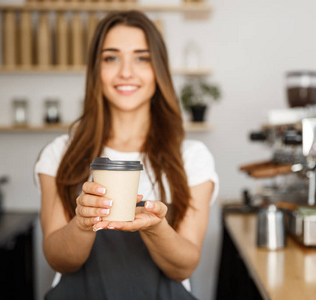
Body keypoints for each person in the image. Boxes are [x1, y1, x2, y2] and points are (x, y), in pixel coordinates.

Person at [34, 10, 218, 300]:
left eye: (142, 58)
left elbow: (184, 266)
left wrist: (157, 227)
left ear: (159, 68)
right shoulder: (60, 153)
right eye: (111, 57)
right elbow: (58, 259)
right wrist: (83, 224)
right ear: (96, 69)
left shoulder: (192, 157)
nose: (126, 72)